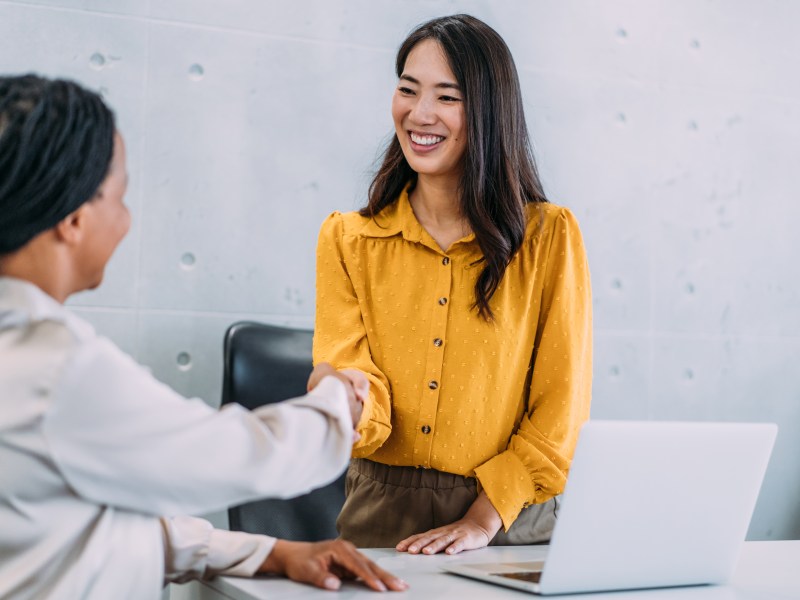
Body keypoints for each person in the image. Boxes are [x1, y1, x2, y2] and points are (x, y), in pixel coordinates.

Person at [0, 74, 407, 599]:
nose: (126, 221)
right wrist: (336, 400)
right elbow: (236, 454)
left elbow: (77, 518)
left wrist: (269, 551)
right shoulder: (56, 369)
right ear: (74, 219)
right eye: (121, 199)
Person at [313, 14, 592, 554]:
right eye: (407, 90)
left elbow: (562, 410)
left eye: (448, 97)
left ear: (489, 111)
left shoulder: (548, 237)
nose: (419, 114)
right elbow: (358, 377)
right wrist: (342, 404)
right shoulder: (348, 239)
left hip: (511, 518)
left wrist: (482, 520)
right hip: (382, 513)